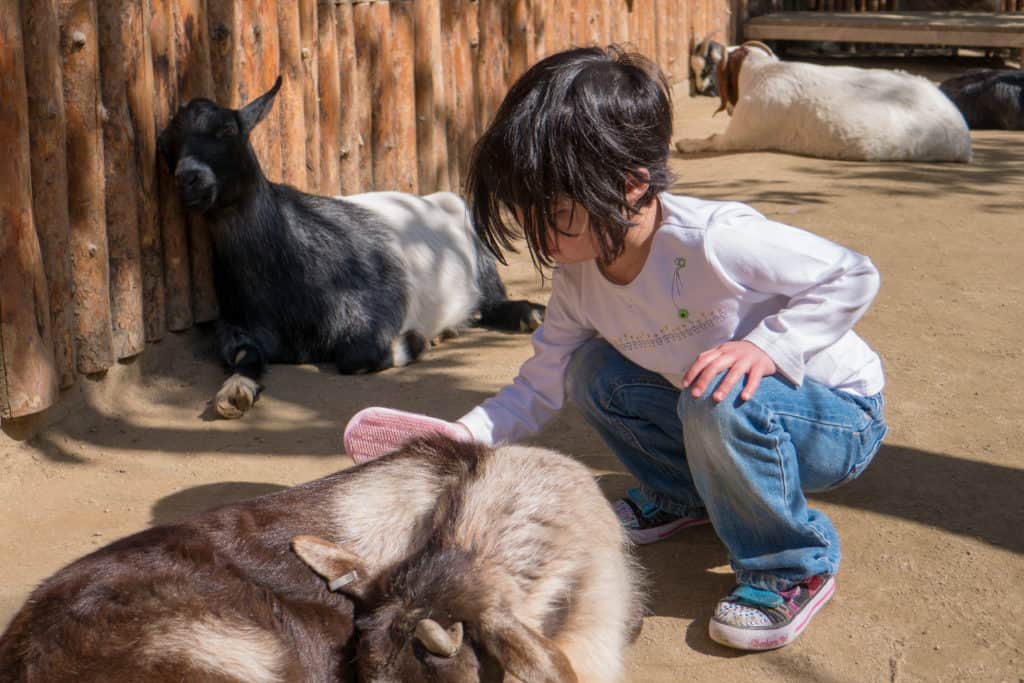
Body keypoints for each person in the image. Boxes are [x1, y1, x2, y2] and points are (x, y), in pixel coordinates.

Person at [343, 45, 888, 651]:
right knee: (592, 370)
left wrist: (766, 347)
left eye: (551, 208)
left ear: (631, 186)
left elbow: (853, 274)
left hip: (835, 418)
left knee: (721, 397)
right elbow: (540, 381)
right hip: (716, 406)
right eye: (523, 207)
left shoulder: (716, 241)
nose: (531, 228)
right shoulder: (579, 278)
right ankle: (684, 494)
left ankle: (790, 564)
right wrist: (462, 438)